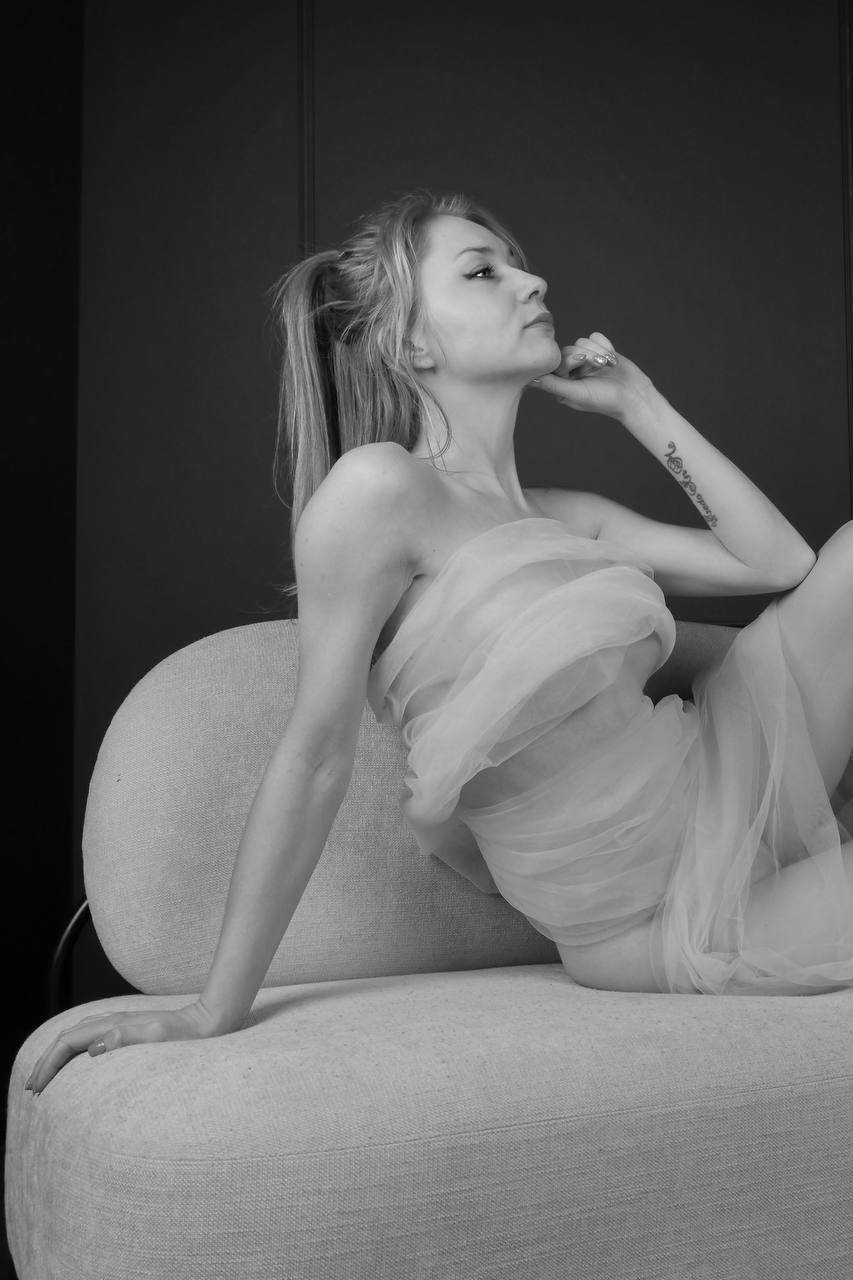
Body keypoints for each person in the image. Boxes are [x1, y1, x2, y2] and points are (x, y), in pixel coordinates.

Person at [27, 188, 853, 1096]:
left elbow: (779, 561)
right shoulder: (378, 492)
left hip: (733, 787)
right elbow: (314, 757)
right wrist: (211, 1007)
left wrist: (640, 405)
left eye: (518, 265)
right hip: (650, 914)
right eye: (482, 272)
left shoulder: (570, 517)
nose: (532, 283)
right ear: (412, 342)